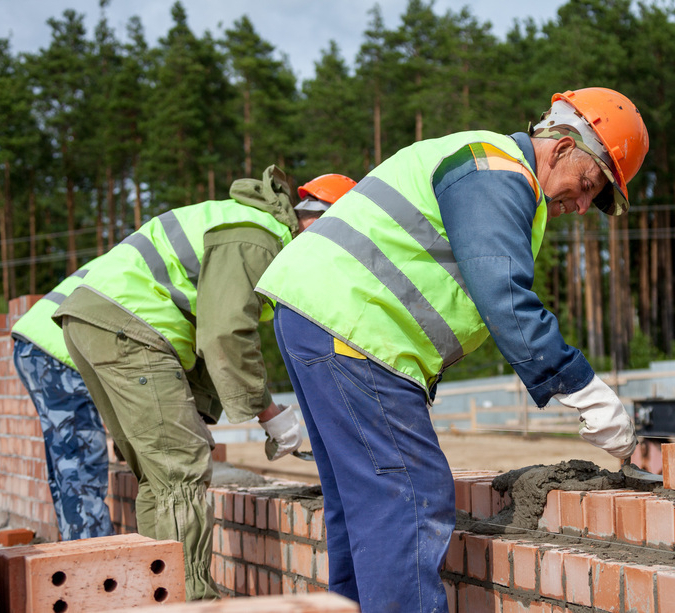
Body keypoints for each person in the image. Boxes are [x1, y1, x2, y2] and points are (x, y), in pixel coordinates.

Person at [255, 87, 650, 612]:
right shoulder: (496, 169)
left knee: (360, 503)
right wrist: (582, 388)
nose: (580, 207)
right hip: (356, 329)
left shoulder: (494, 173)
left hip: (320, 321)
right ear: (561, 148)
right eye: (587, 185)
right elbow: (504, 298)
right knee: (411, 497)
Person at [55, 167, 356, 600]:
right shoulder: (257, 235)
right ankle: (190, 600)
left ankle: (154, 595)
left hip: (96, 319)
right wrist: (268, 412)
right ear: (322, 219)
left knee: (158, 480)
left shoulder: (248, 223)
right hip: (130, 323)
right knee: (181, 468)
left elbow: (202, 327)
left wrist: (199, 408)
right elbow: (223, 332)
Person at [11, 259, 114, 541]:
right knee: (81, 466)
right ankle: (97, 565)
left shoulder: (135, 257)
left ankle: (74, 552)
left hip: (35, 341)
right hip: (59, 350)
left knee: (67, 462)